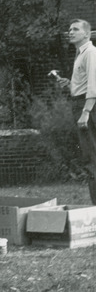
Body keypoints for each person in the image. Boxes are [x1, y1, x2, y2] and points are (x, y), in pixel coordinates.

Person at [53, 19, 96, 205]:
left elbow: (94, 86)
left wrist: (86, 111)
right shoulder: (80, 54)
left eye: (75, 29)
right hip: (81, 103)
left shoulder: (90, 53)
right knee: (90, 157)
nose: (70, 32)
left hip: (88, 107)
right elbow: (85, 84)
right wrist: (70, 84)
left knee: (92, 158)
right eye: (69, 29)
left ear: (87, 33)